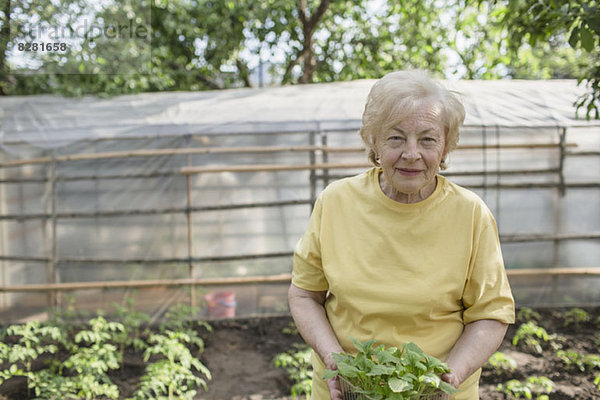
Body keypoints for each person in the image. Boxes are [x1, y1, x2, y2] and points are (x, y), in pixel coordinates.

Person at [288, 70, 515, 400]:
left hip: (438, 391)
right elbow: (304, 295)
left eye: (427, 139)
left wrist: (453, 374)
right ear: (374, 141)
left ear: (445, 146)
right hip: (349, 389)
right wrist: (333, 359)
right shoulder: (336, 202)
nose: (412, 153)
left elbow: (491, 314)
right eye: (396, 138)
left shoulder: (470, 213)